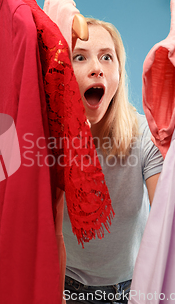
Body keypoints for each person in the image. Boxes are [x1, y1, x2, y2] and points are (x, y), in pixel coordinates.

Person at [62, 18, 163, 304]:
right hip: (63, 286)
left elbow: (167, 219)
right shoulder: (46, 140)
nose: (96, 67)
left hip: (134, 289)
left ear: (118, 71)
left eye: (107, 57)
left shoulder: (145, 135)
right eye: (80, 57)